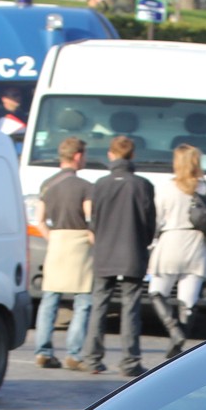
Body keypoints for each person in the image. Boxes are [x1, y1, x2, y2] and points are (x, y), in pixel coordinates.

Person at [81, 135, 156, 378]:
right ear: (132, 155)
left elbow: (94, 220)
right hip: (133, 250)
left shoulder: (100, 184)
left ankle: (92, 357)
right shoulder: (142, 185)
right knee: (131, 306)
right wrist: (142, 243)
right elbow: (149, 223)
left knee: (99, 305)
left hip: (105, 250)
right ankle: (130, 360)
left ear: (110, 155)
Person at [31, 136, 95, 370]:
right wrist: (91, 240)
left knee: (50, 298)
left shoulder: (47, 185)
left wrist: (51, 236)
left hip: (56, 242)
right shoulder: (86, 187)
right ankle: (74, 353)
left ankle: (43, 350)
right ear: (77, 156)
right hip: (79, 242)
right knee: (83, 299)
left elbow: (39, 220)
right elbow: (90, 219)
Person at [148, 144, 206, 359]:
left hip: (171, 241)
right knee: (188, 301)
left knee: (157, 291)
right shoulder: (205, 188)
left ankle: (173, 329)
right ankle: (177, 345)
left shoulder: (167, 188)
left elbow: (156, 219)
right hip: (197, 245)